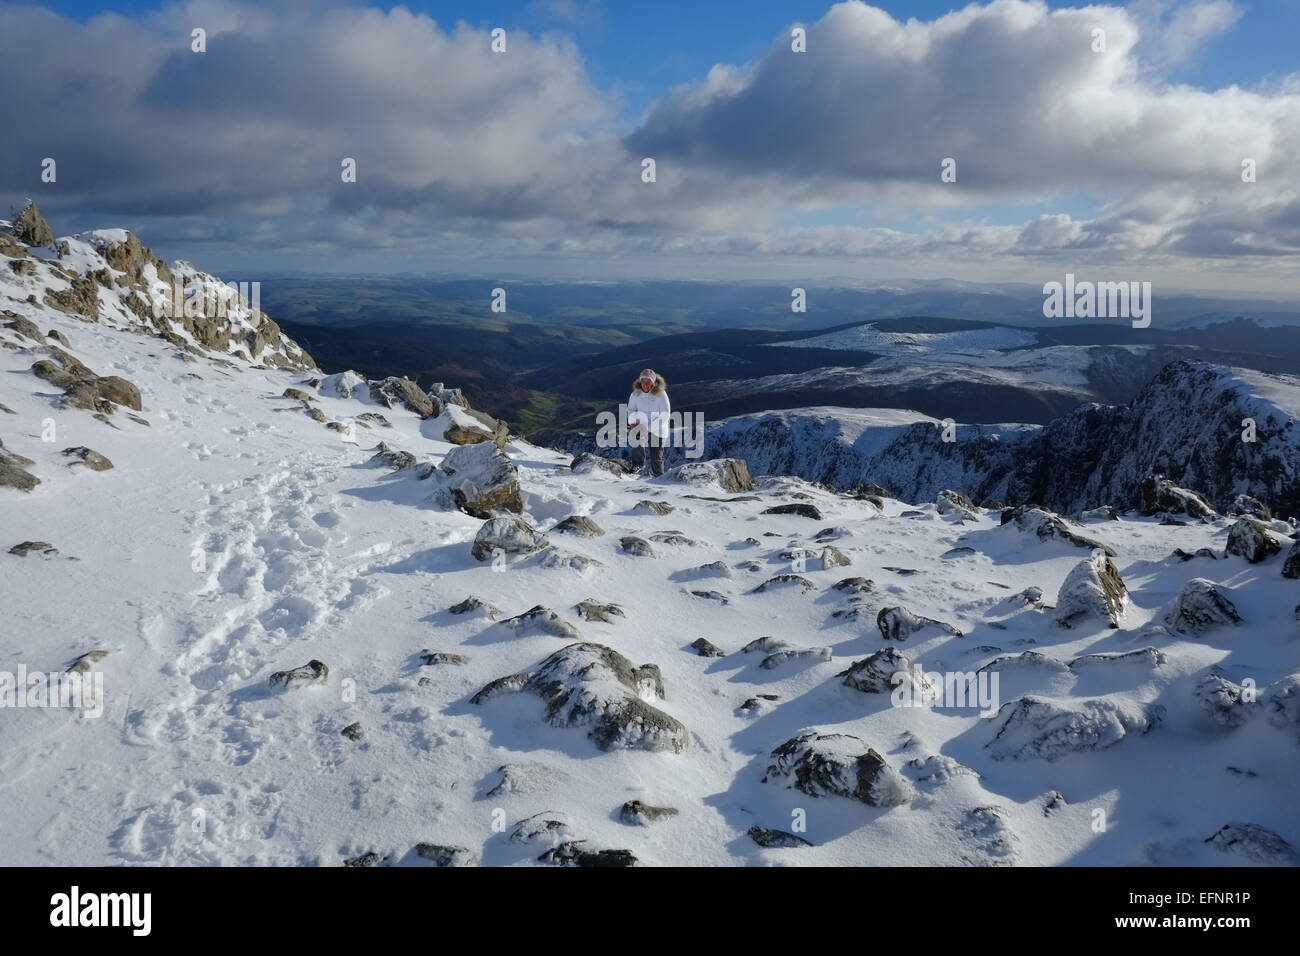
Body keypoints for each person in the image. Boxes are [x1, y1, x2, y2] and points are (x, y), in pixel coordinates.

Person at [626, 368, 669, 476]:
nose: (645, 384)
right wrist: (633, 422)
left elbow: (665, 415)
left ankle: (659, 476)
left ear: (653, 382)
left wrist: (648, 429)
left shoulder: (661, 394)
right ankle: (638, 466)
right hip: (642, 423)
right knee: (636, 437)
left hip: (658, 426)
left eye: (648, 381)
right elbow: (631, 410)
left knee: (656, 454)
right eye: (643, 381)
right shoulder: (635, 394)